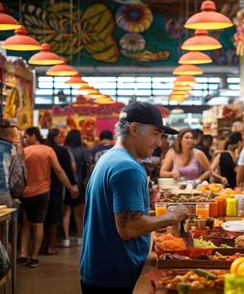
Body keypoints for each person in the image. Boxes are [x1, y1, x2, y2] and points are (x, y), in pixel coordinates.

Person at [80, 102, 189, 293]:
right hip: (115, 275)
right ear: (135, 129)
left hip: (99, 269)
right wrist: (172, 216)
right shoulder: (128, 167)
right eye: (156, 134)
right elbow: (129, 227)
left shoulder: (109, 158)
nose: (159, 143)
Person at [19, 127, 78, 268]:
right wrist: (70, 187)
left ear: (34, 136)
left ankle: (22, 254)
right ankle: (34, 257)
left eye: (27, 137)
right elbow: (59, 171)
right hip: (43, 192)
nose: (25, 140)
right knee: (38, 224)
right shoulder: (48, 150)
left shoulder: (23, 151)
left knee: (26, 224)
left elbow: (17, 172)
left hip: (25, 193)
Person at [44, 129, 77, 254]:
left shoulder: (44, 148)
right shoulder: (62, 151)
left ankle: (43, 245)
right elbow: (67, 170)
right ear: (56, 137)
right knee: (54, 217)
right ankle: (51, 247)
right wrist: (72, 185)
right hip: (57, 186)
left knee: (44, 218)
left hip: (43, 185)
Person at [0, 118, 26, 207]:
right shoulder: (11, 148)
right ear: (13, 134)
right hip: (1, 191)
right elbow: (17, 172)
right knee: (3, 218)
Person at [63, 129, 90, 247]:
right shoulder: (84, 151)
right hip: (80, 184)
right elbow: (88, 168)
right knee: (79, 213)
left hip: (66, 184)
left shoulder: (65, 150)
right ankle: (80, 237)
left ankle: (66, 239)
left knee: (66, 212)